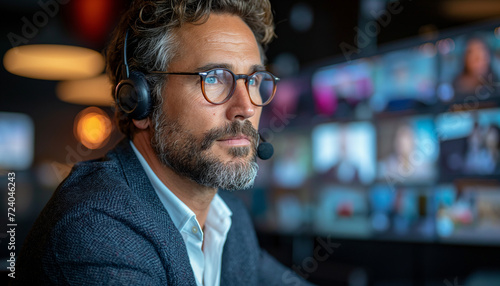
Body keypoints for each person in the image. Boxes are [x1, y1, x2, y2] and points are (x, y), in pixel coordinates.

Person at [15, 0, 314, 285]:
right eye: (213, 78)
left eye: (253, 80)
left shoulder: (227, 218)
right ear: (141, 102)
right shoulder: (95, 227)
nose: (246, 107)